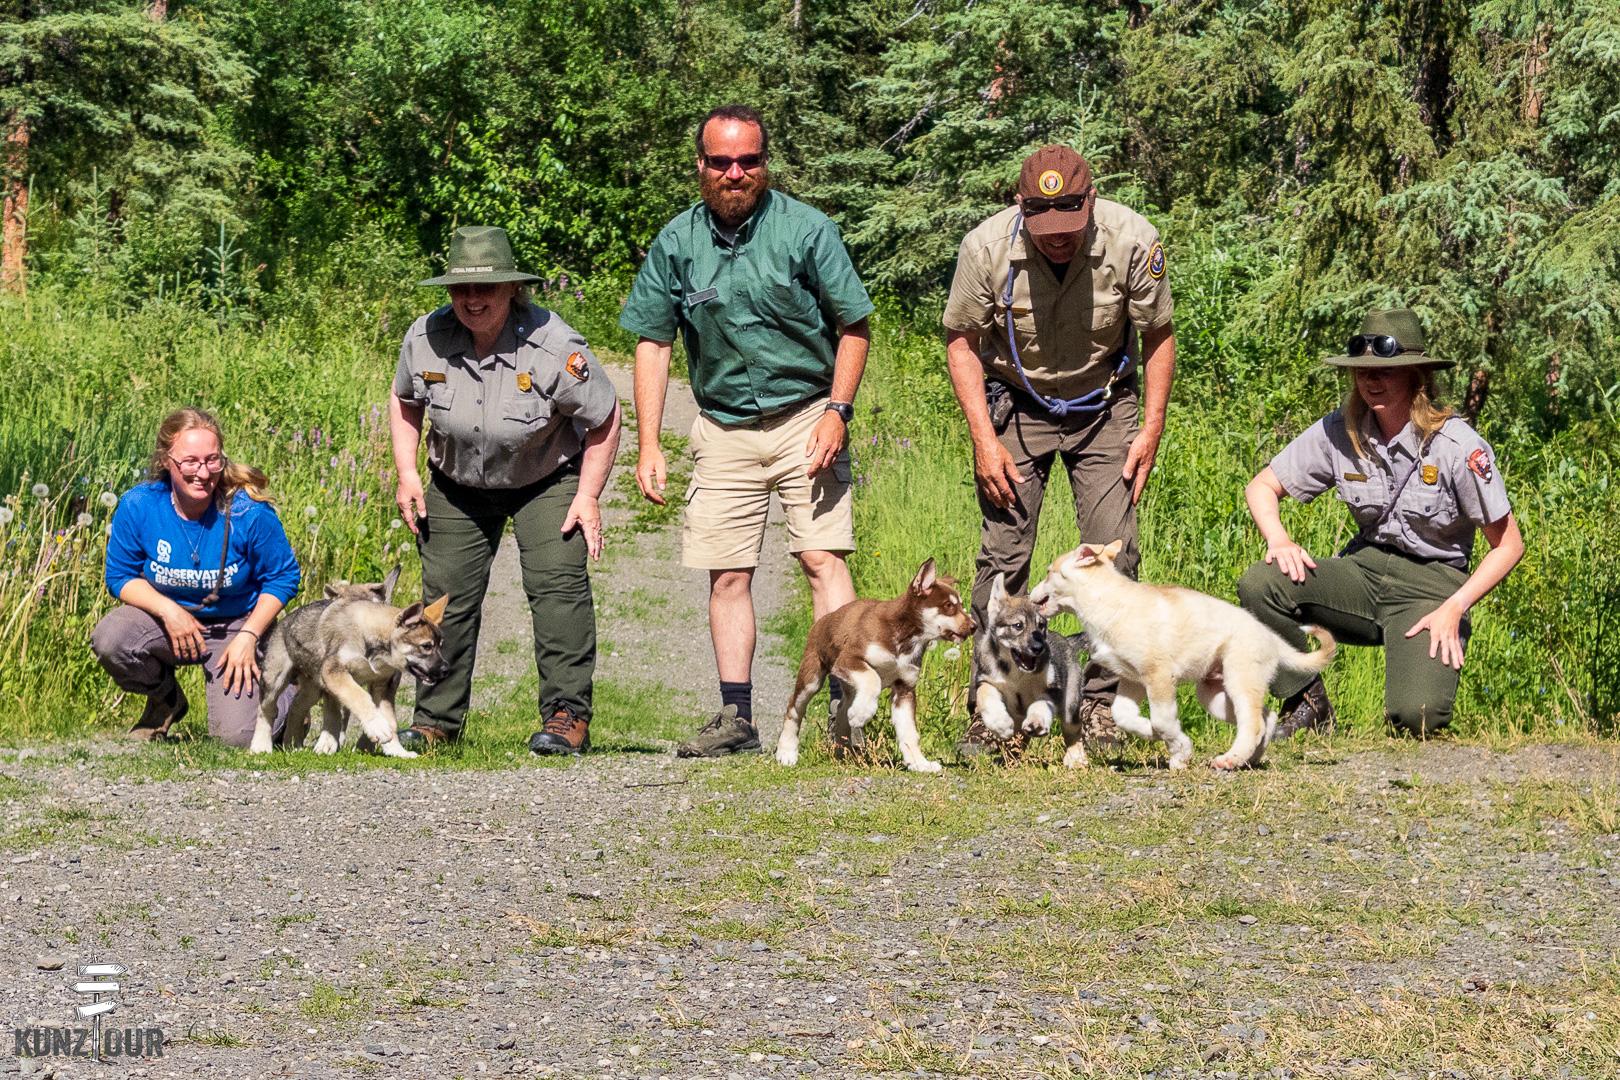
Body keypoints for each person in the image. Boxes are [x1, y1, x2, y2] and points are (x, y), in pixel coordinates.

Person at [621, 103, 874, 757]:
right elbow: (652, 342)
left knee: (822, 560)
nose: (735, 173)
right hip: (724, 426)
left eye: (748, 160)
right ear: (700, 166)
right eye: (721, 161)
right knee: (727, 574)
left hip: (807, 416)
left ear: (765, 163)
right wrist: (649, 443)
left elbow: (853, 325)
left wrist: (837, 412)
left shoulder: (807, 230)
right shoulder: (677, 242)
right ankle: (737, 718)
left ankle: (845, 715)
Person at [941, 145, 1177, 757]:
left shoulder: (1132, 240)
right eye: (1042, 225)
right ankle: (995, 705)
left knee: (1114, 555)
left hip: (1104, 407)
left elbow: (1158, 333)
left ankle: (1096, 707)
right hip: (1017, 407)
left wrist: (1151, 426)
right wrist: (983, 439)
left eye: (1069, 223)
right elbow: (961, 342)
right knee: (1003, 558)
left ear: (1091, 200)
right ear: (1020, 206)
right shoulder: (985, 248)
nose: (1057, 238)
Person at [389, 225, 622, 755]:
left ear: (512, 288)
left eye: (486, 288)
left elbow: (605, 416)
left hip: (545, 479)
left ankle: (566, 717)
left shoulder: (553, 345)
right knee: (444, 599)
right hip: (456, 483)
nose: (472, 299)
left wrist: (587, 495)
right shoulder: (425, 337)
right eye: (461, 288)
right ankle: (435, 722)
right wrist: (406, 472)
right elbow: (404, 400)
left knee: (557, 588)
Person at [1238, 308, 1525, 737]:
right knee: (1260, 585)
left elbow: (1509, 545)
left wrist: (1455, 606)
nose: (1371, 380)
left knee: (1417, 717)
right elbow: (1261, 487)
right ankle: (1307, 702)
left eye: (1385, 371)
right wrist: (1279, 540)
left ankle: (1412, 697)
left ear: (1416, 376)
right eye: (1362, 371)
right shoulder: (1341, 430)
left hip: (1432, 587)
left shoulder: (1456, 446)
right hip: (1364, 571)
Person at [93, 408, 302, 746]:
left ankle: (290, 694)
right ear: (166, 461)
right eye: (190, 462)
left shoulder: (249, 512)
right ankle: (165, 699)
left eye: (212, 460)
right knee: (112, 638)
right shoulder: (139, 505)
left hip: (236, 625)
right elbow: (120, 576)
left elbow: (283, 577)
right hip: (168, 623)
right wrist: (168, 611)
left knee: (237, 740)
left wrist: (249, 635)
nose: (203, 473)